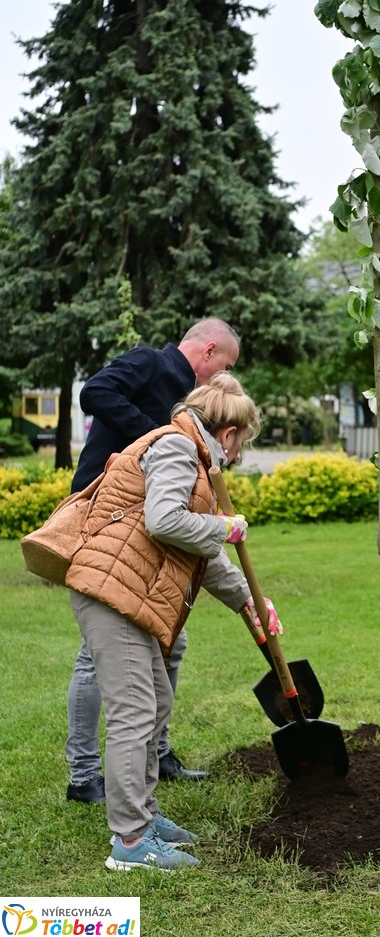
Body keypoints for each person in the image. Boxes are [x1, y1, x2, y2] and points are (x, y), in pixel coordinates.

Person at [65, 371, 281, 870]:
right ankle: (130, 842)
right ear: (229, 433)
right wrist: (223, 526)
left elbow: (201, 553)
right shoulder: (177, 448)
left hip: (130, 593)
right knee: (135, 711)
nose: (235, 455)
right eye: (240, 444)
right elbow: (165, 521)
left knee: (154, 701)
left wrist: (251, 602)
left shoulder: (191, 455)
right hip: (113, 593)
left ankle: (144, 814)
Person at [66, 318, 241, 803]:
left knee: (171, 639)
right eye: (224, 366)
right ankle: (83, 775)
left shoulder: (189, 401)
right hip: (103, 521)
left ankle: (156, 752)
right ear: (208, 350)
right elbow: (94, 392)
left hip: (145, 530)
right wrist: (157, 437)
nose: (222, 377)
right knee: (94, 655)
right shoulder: (151, 363)